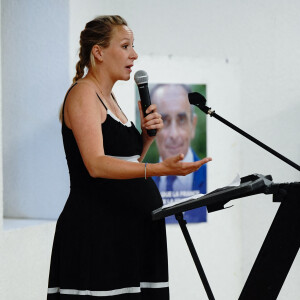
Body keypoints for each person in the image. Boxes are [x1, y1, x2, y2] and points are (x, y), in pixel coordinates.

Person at [47, 15, 211, 299]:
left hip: (130, 231)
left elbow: (126, 161)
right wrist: (157, 169)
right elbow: (96, 164)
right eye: (125, 46)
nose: (134, 55)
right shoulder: (84, 95)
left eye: (133, 46)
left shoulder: (110, 98)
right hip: (99, 231)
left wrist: (146, 138)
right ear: (98, 52)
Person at [151, 84, 207, 223]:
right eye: (164, 120)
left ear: (192, 125)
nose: (174, 134)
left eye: (181, 120)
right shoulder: (143, 184)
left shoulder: (213, 178)